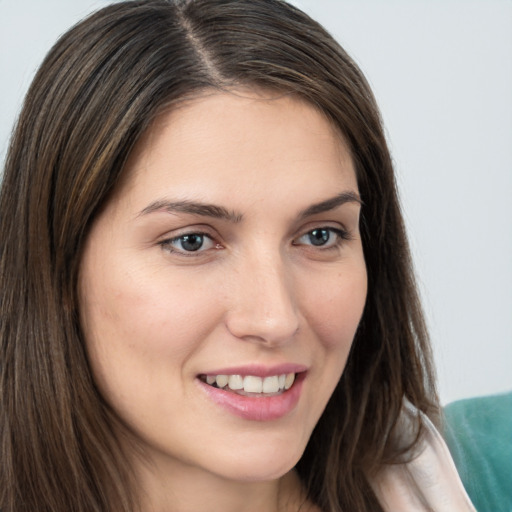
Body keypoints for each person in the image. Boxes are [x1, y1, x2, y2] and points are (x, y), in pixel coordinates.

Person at [0, 1, 476, 511]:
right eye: (192, 241)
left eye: (319, 236)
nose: (275, 318)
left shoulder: (489, 472)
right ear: (58, 264)